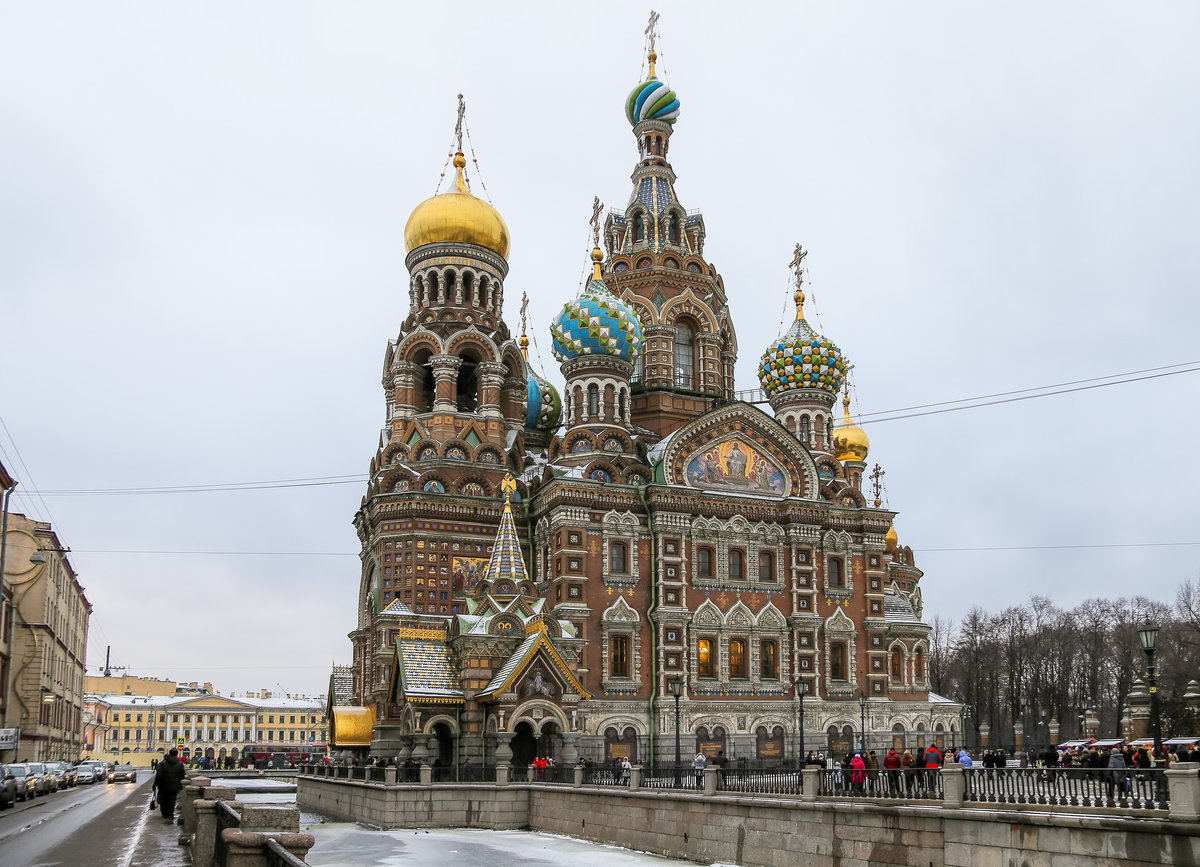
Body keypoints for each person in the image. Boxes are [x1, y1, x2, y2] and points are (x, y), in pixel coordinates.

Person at [154, 747, 187, 821]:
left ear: (169, 753)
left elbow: (158, 775)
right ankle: (170, 814)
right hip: (174, 786)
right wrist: (179, 784)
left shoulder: (162, 763)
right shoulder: (180, 764)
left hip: (163, 786)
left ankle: (164, 813)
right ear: (176, 754)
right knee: (172, 800)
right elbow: (182, 776)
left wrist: (155, 785)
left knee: (163, 800)